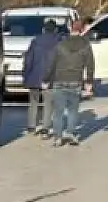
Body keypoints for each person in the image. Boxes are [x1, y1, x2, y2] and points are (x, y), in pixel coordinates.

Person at [44, 17, 96, 147]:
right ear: (82, 30)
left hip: (59, 79)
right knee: (73, 110)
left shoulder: (61, 44)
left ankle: (57, 137)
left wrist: (46, 79)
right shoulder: (86, 45)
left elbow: (52, 64)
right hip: (76, 80)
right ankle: (70, 133)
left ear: (70, 28)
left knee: (58, 111)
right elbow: (90, 64)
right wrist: (89, 82)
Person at [20, 18, 64, 136]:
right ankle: (45, 127)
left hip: (34, 76)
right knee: (48, 102)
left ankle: (31, 126)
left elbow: (28, 60)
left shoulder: (35, 41)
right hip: (51, 77)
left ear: (43, 29)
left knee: (33, 101)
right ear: (55, 29)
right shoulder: (59, 42)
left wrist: (25, 75)